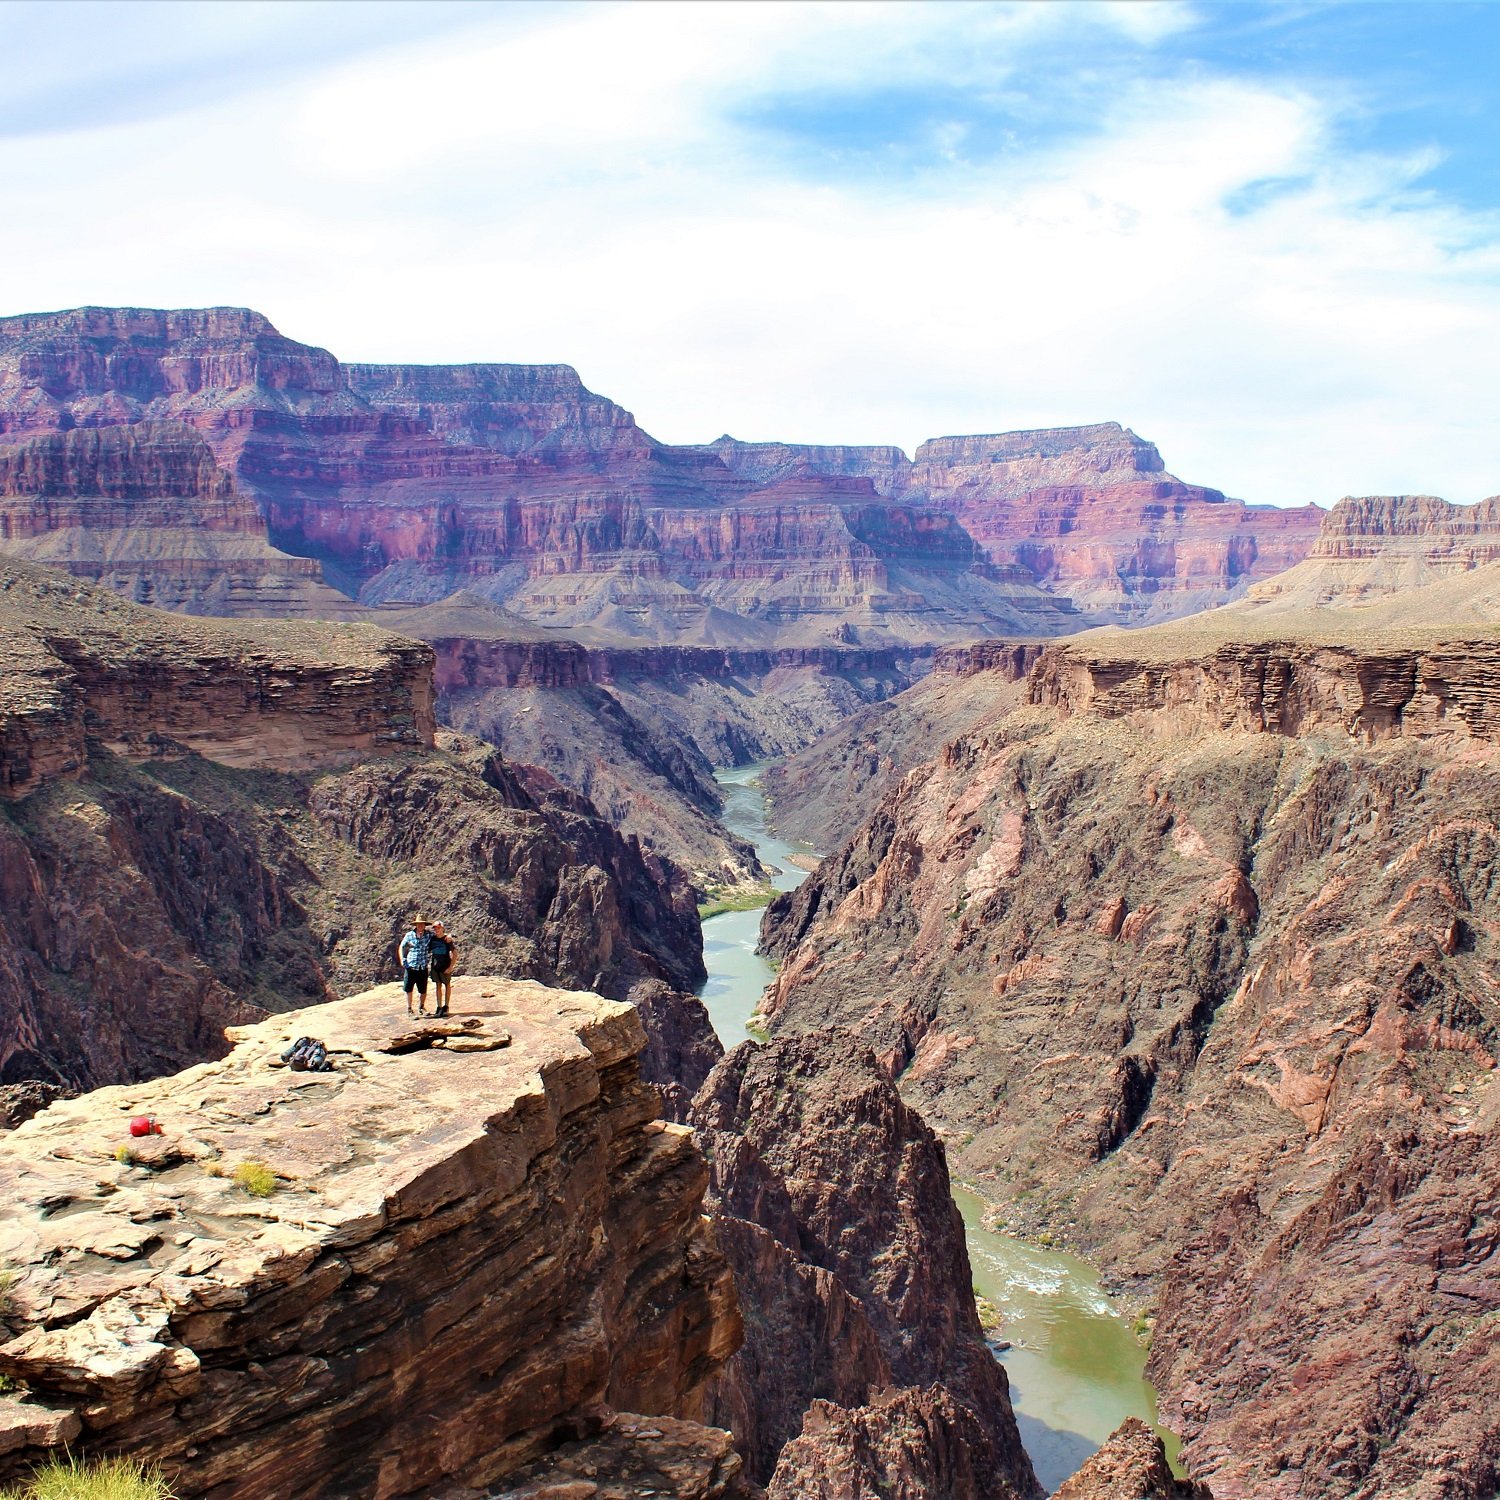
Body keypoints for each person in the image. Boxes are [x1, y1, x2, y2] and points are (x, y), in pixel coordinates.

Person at [399, 916, 434, 1016]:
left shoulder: (429, 936)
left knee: (423, 989)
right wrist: (402, 959)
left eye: (422, 924)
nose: (420, 926)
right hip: (411, 966)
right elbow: (402, 946)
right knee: (409, 988)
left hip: (422, 966)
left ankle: (421, 1007)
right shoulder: (409, 935)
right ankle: (409, 1009)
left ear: (424, 925)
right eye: (418, 924)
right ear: (416, 925)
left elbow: (439, 938)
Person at [429, 921, 457, 1017]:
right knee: (438, 985)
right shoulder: (432, 939)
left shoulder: (447, 940)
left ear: (442, 928)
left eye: (438, 928)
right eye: (435, 928)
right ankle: (439, 1006)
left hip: (445, 965)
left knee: (447, 985)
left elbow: (455, 953)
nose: (437, 930)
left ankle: (446, 1006)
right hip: (435, 965)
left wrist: (451, 967)